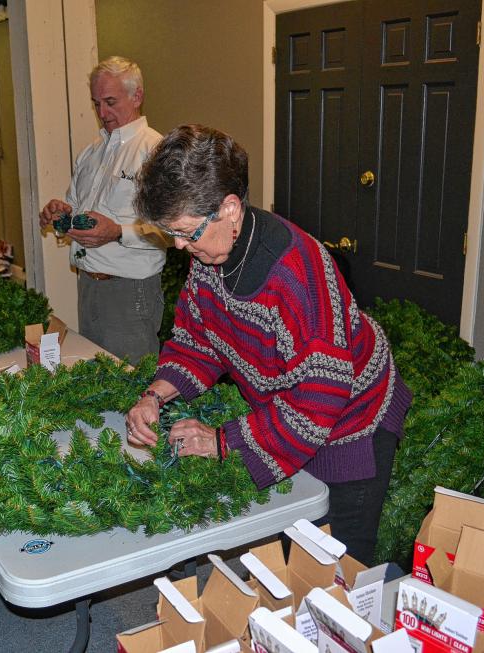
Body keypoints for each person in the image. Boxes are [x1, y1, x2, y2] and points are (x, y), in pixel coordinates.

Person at [125, 125, 412, 564]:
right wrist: (155, 396)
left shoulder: (297, 275)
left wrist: (221, 442)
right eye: (171, 233)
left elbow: (318, 402)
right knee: (294, 544)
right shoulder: (211, 256)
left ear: (230, 208)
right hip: (296, 409)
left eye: (185, 231)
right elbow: (196, 341)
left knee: (337, 564)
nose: (180, 246)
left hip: (354, 424)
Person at [38, 56, 168, 364]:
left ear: (137, 96)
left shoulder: (157, 152)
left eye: (110, 102)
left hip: (131, 291)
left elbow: (171, 230)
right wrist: (60, 216)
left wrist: (117, 232)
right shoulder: (90, 153)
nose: (102, 113)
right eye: (97, 103)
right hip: (87, 284)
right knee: (98, 386)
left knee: (132, 386)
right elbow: (76, 209)